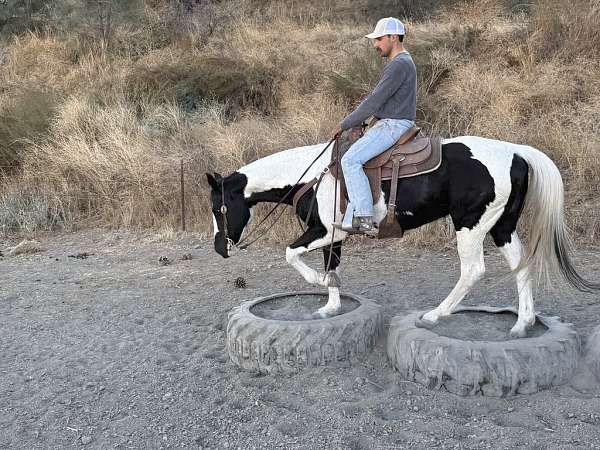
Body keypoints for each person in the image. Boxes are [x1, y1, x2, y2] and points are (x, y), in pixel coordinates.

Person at [331, 17, 417, 236]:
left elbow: (374, 100)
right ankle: (353, 215)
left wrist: (345, 124)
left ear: (393, 37)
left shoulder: (398, 64)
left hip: (393, 125)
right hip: (392, 121)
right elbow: (385, 101)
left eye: (379, 39)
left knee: (349, 160)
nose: (375, 44)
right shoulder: (403, 63)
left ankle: (364, 218)